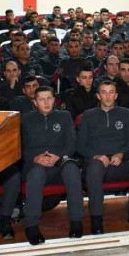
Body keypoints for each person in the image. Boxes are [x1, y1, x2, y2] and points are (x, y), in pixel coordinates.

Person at [77, 81, 129, 233]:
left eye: (111, 92)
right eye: (104, 92)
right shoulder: (88, 116)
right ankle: (96, 218)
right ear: (98, 96)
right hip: (99, 161)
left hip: (121, 159)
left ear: (116, 95)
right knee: (94, 167)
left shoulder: (126, 113)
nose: (108, 96)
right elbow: (80, 145)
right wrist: (96, 155)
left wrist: (121, 153)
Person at [19, 87, 84, 244]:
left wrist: (58, 157)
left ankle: (76, 221)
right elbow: (20, 148)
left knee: (72, 170)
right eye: (42, 99)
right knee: (36, 175)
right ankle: (32, 225)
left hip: (59, 161)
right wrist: (35, 158)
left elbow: (72, 144)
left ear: (54, 100)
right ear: (35, 102)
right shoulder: (25, 119)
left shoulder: (65, 116)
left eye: (49, 98)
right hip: (35, 163)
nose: (46, 102)